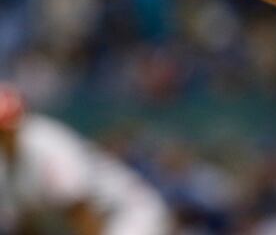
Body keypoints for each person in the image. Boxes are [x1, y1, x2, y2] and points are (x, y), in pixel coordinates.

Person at [0, 85, 172, 235]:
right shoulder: (6, 163)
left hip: (128, 213)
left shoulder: (47, 144)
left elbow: (82, 211)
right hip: (88, 222)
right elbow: (26, 225)